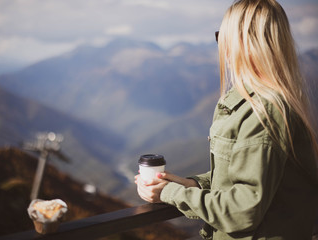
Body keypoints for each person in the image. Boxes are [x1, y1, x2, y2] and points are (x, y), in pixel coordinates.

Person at [135, 0, 318, 239]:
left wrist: (170, 193)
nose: (221, 46)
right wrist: (188, 184)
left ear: (242, 43)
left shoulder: (262, 112)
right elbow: (248, 175)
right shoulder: (268, 103)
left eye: (222, 36)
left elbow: (242, 211)